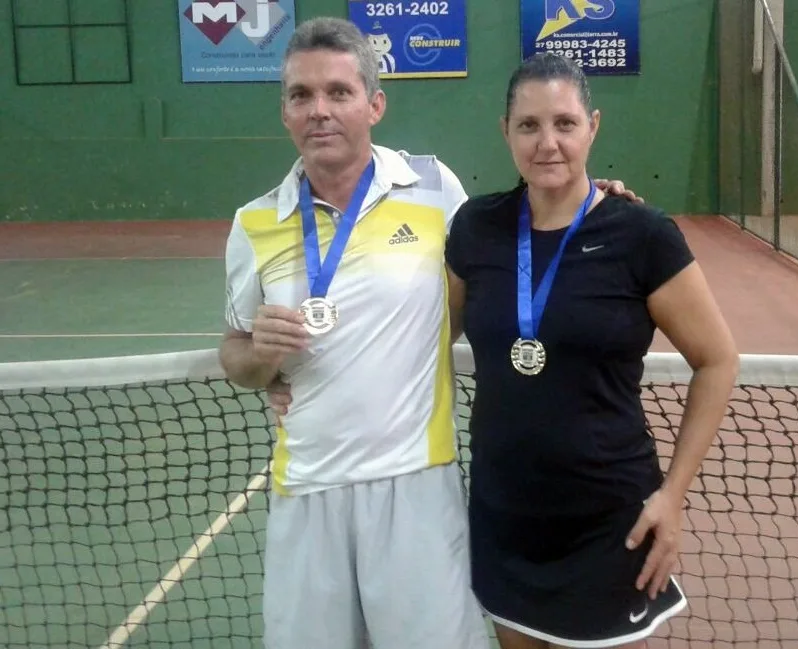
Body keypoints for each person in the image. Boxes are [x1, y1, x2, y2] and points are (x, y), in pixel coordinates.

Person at [219, 17, 638, 649]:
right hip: (307, 488)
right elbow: (235, 354)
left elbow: (525, 228)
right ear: (284, 111)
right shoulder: (253, 224)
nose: (320, 111)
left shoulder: (434, 188)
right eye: (301, 96)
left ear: (375, 104)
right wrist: (257, 355)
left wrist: (591, 202)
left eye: (338, 92)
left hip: (418, 484)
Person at [443, 53, 740, 649]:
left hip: (610, 522)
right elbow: (421, 341)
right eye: (528, 125)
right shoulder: (475, 228)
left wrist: (673, 497)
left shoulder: (642, 236)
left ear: (593, 126)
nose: (547, 143)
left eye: (564, 123)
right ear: (505, 131)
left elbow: (717, 360)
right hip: (506, 516)